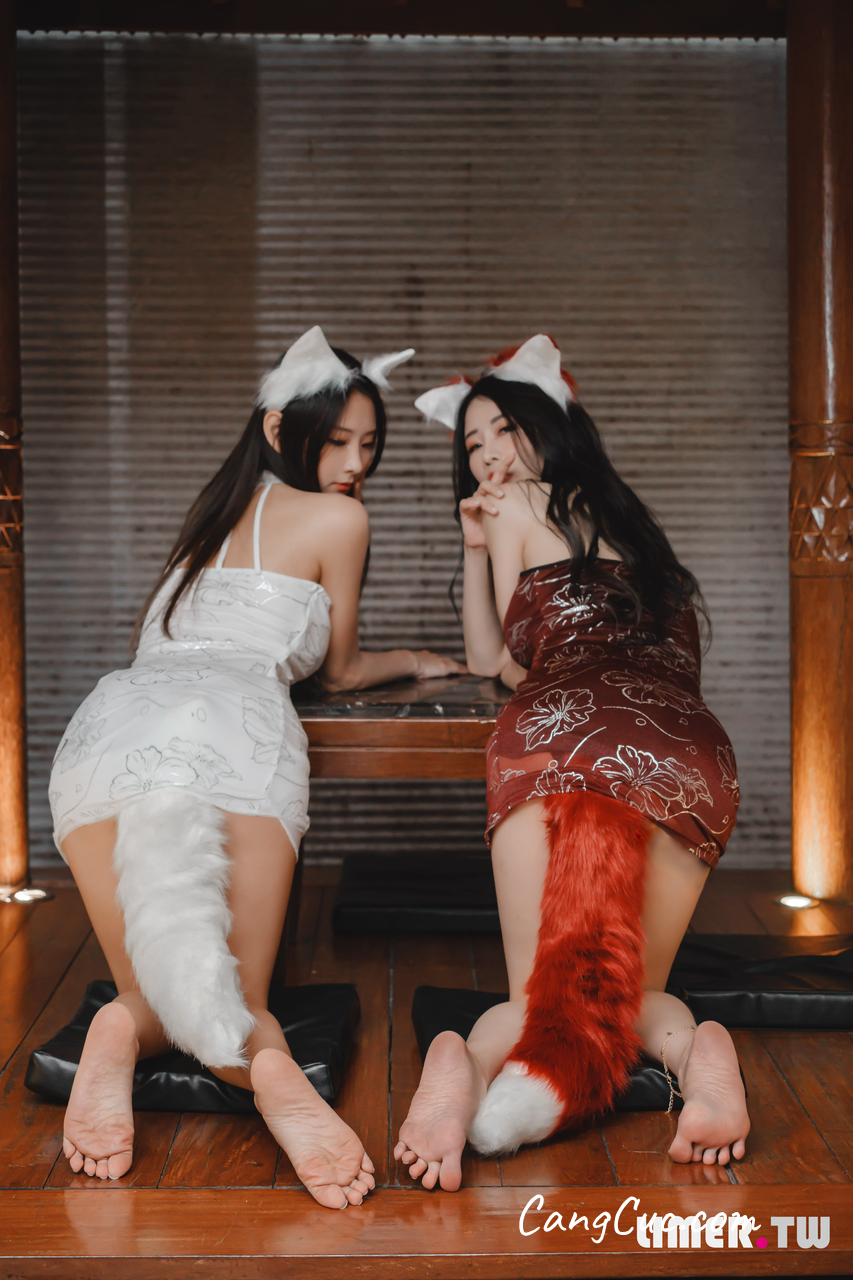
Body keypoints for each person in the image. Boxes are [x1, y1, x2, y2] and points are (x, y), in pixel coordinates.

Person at [50, 325, 465, 1208]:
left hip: (110, 727)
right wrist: (417, 660)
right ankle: (274, 1078)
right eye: (338, 441)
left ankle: (117, 1027)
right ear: (280, 430)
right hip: (234, 727)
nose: (354, 464)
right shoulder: (341, 519)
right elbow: (341, 673)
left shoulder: (209, 518)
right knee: (237, 996)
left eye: (368, 445)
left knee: (156, 991)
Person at [395, 334, 749, 1191]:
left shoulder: (511, 504)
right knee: (622, 995)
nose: (486, 455)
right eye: (471, 443)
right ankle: (699, 1053)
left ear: (549, 429)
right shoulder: (635, 529)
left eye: (501, 430)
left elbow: (496, 662)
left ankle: (460, 1062)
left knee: (537, 1001)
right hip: (686, 751)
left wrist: (476, 544)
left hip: (559, 736)